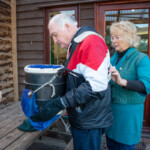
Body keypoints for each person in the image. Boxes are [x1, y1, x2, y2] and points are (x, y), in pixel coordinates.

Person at [30, 13, 113, 150]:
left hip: (89, 121)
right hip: (83, 117)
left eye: (55, 34)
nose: (55, 40)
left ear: (67, 26)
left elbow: (96, 86)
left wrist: (61, 103)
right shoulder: (76, 44)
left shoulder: (90, 42)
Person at [105, 21, 150, 150]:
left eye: (117, 37)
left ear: (128, 37)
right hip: (111, 113)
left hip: (128, 117)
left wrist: (122, 81)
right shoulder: (113, 57)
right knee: (110, 145)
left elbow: (146, 85)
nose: (113, 41)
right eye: (112, 37)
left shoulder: (141, 58)